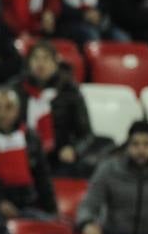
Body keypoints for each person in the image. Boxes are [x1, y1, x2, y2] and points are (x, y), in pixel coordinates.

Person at [0, 85, 56, 219]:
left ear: (17, 110)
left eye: (9, 107)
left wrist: (52, 210)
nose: (2, 113)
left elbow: (42, 177)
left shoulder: (31, 137)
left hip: (28, 206)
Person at [14, 41, 93, 177]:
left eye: (46, 58)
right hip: (22, 156)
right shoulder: (16, 90)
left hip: (59, 158)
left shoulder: (70, 91)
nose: (41, 63)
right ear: (28, 63)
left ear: (55, 63)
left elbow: (86, 134)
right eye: (36, 58)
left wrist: (74, 150)